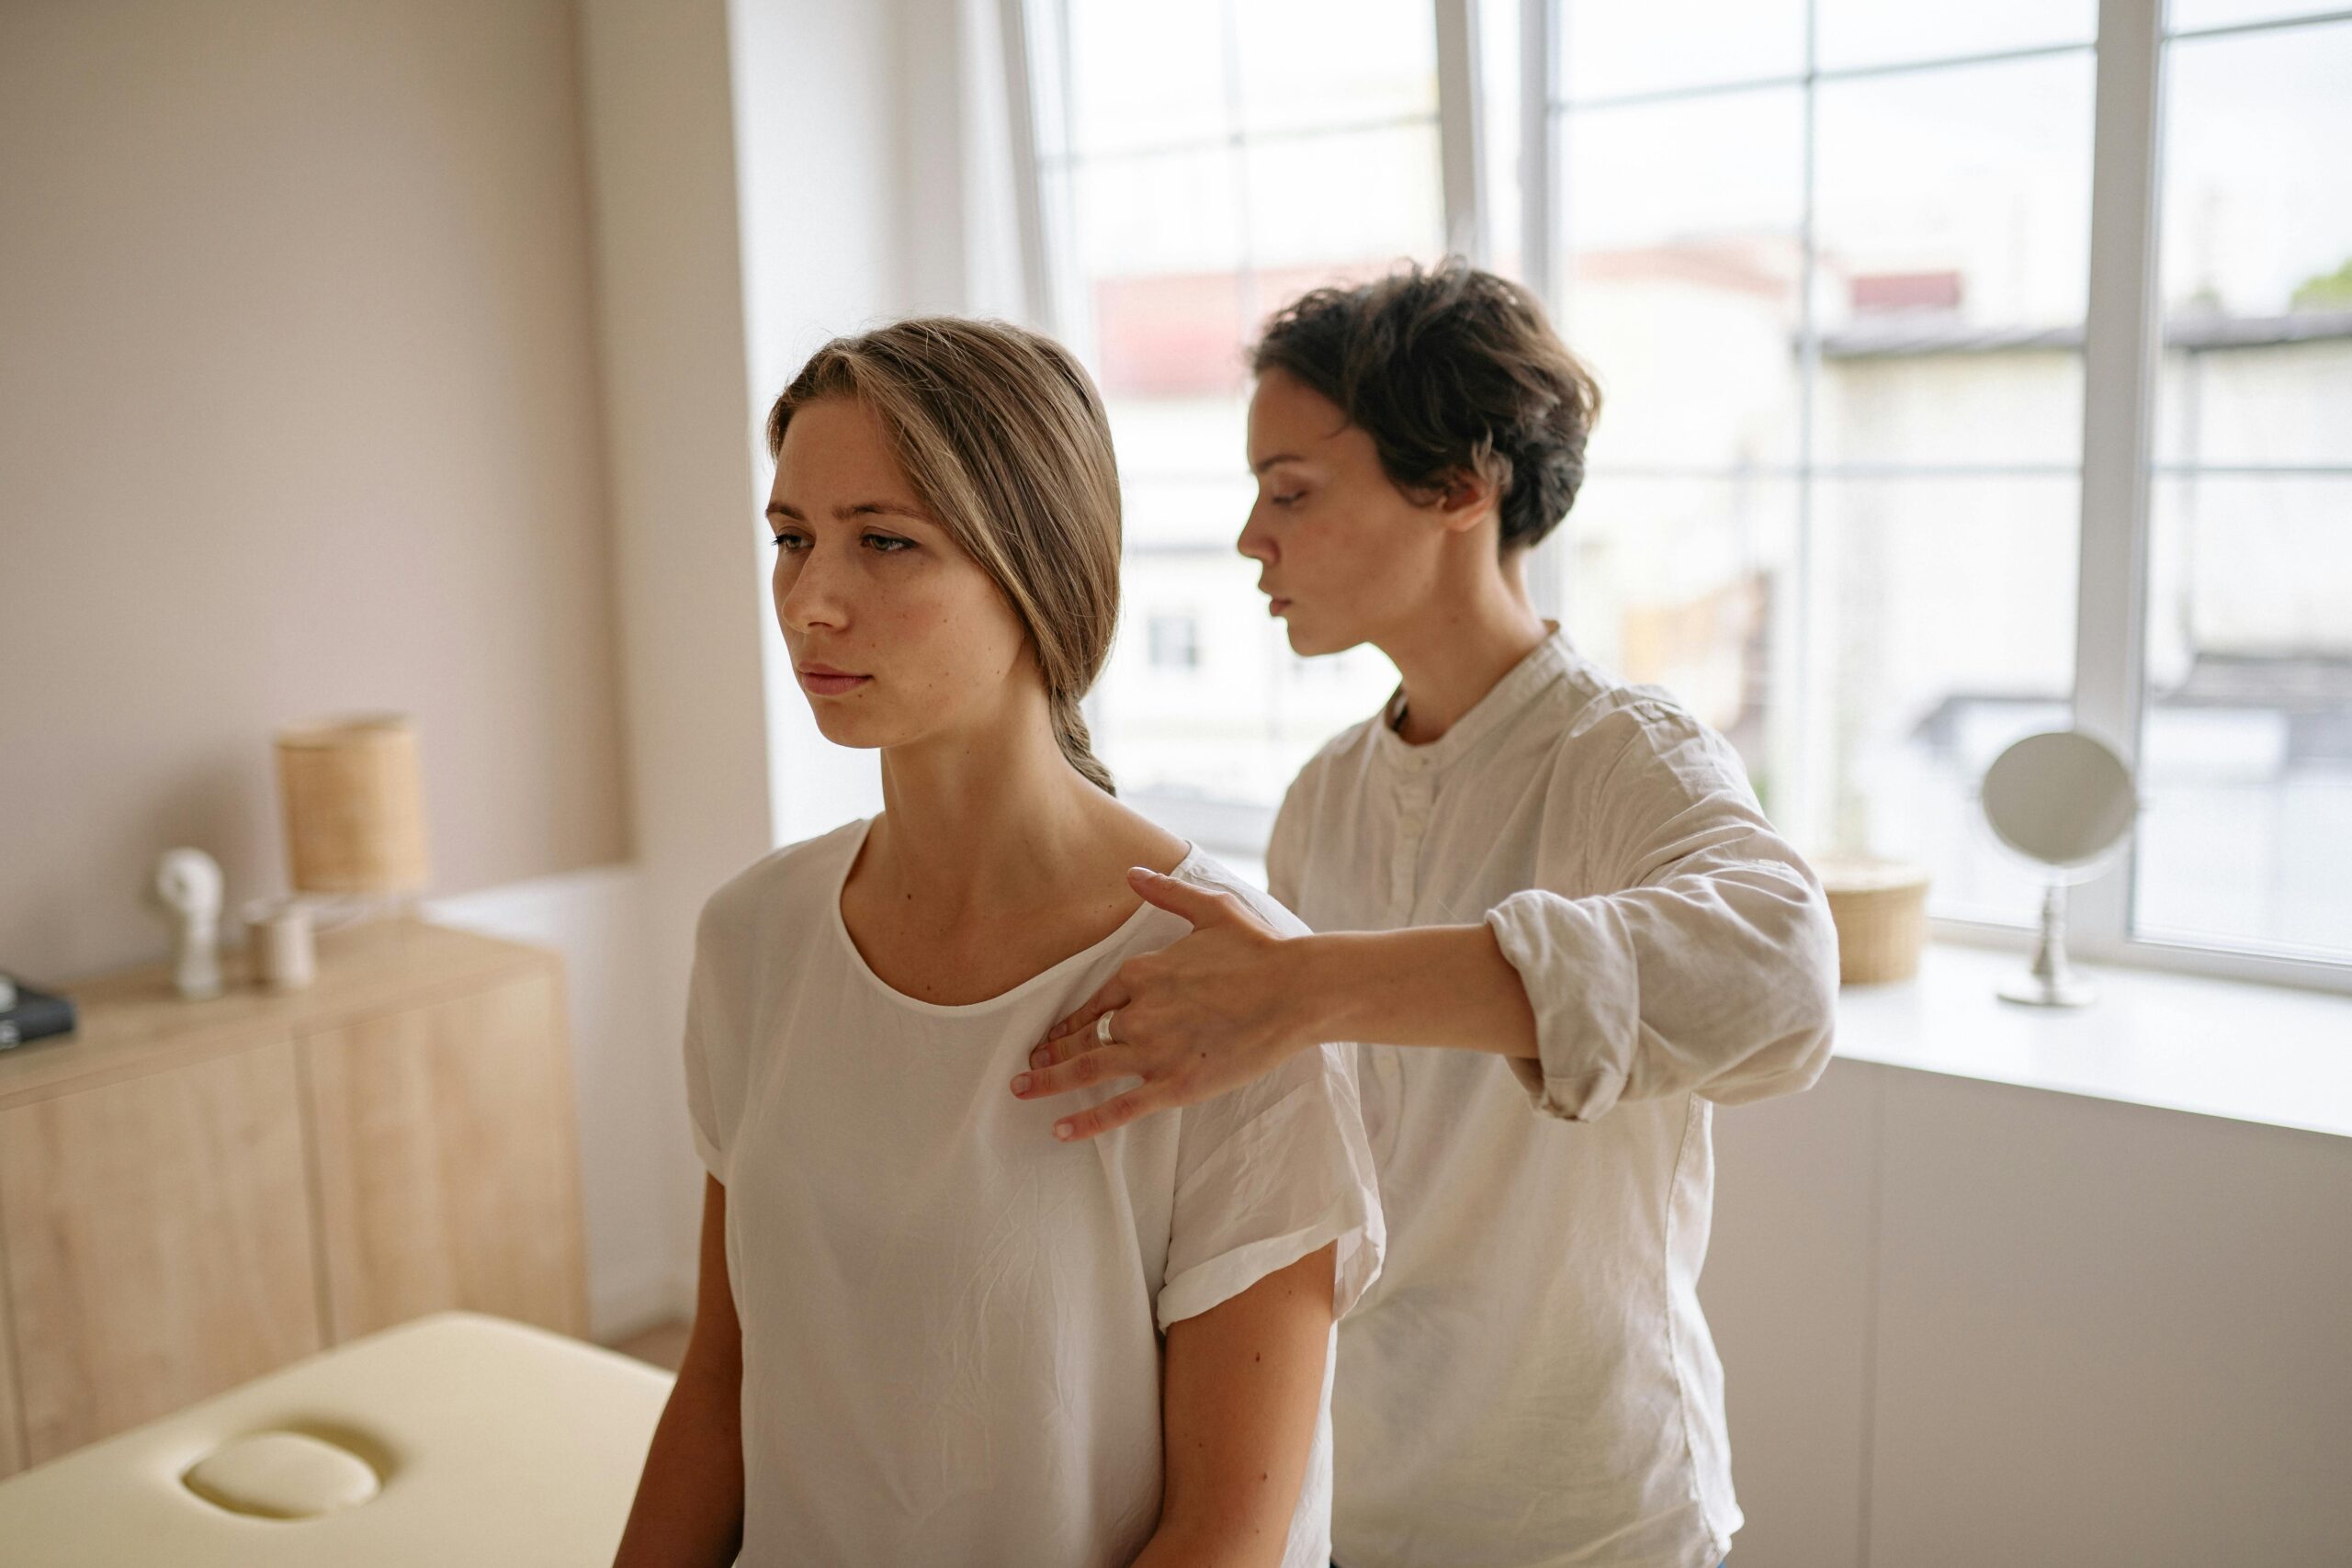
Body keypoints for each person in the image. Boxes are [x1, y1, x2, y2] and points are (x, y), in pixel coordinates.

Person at [1013, 261, 1839, 1568]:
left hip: (1590, 1510)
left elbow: (1784, 981)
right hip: (1364, 1487)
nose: (1250, 538)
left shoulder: (1630, 760)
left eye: (1290, 490)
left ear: (1461, 486)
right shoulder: (1323, 801)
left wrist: (1313, 985)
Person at [612, 318, 1384, 1568]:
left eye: (885, 543)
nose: (811, 599)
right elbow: (721, 1382)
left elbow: (1226, 1536)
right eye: (792, 538)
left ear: (1038, 566)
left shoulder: (1230, 990)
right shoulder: (752, 939)